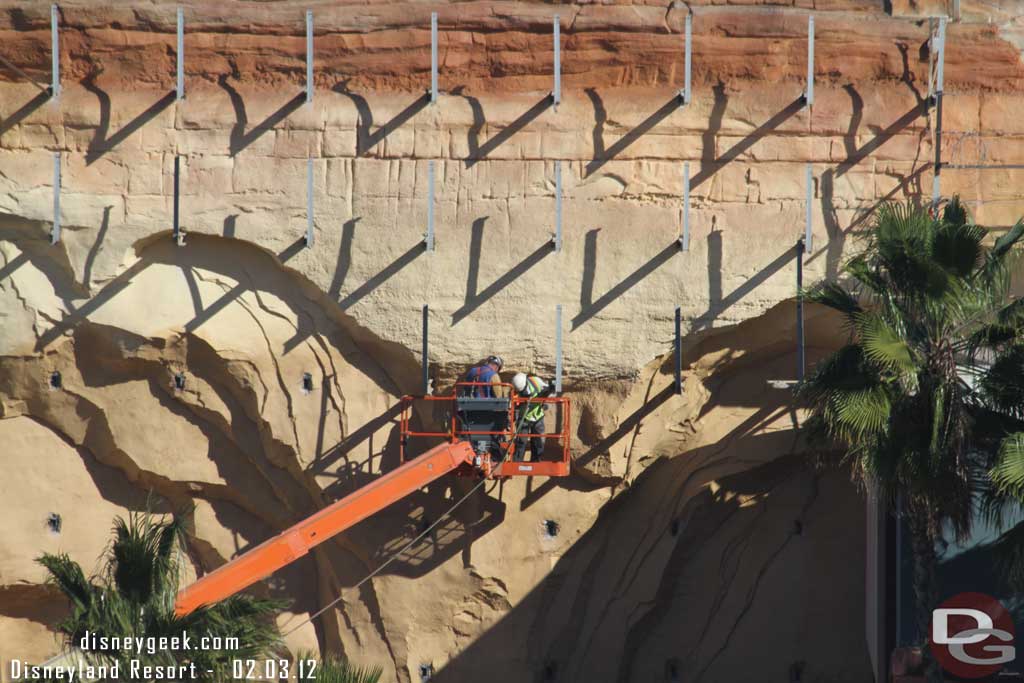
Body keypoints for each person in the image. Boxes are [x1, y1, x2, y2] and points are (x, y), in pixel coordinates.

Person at [512, 372, 554, 462]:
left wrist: (547, 404)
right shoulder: (515, 389)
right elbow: (513, 404)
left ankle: (536, 461)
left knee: (538, 440)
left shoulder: (536, 382)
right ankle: (517, 462)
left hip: (537, 416)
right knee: (521, 441)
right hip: (524, 417)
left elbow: (550, 393)